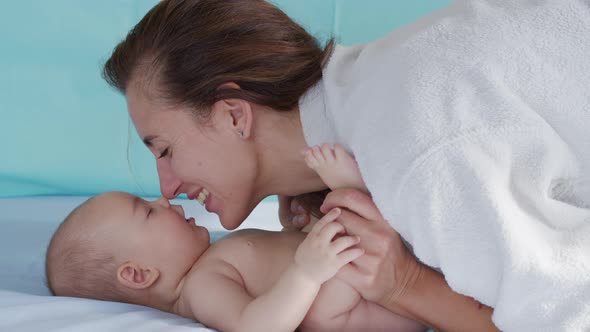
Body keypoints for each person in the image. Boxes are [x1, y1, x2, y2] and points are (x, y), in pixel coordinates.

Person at [102, 0, 590, 330]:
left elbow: (564, 317)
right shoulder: (373, 101)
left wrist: (405, 284)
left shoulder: (413, 150)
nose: (165, 189)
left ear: (233, 114)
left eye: (164, 149)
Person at [46, 191, 426, 332]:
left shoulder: (211, 257)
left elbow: (270, 263)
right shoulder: (199, 288)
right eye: (147, 213)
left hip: (356, 272)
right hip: (354, 302)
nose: (163, 201)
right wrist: (307, 272)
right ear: (139, 274)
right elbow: (257, 326)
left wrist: (293, 232)